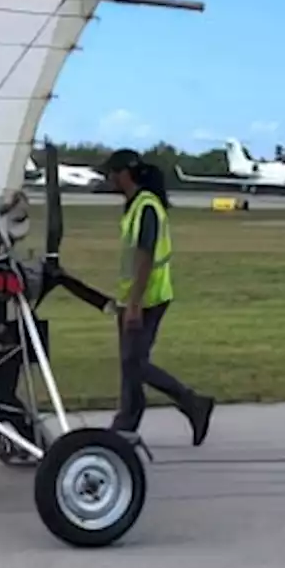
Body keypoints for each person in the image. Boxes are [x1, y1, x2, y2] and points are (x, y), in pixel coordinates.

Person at [98, 148, 215, 445]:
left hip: (148, 298)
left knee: (134, 363)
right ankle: (126, 425)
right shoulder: (136, 205)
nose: (108, 178)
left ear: (124, 173)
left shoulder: (146, 207)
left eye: (111, 172)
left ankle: (192, 402)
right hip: (136, 297)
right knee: (131, 363)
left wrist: (135, 305)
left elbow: (146, 255)